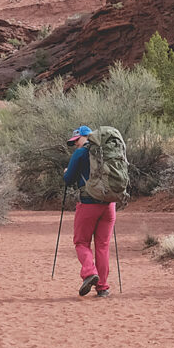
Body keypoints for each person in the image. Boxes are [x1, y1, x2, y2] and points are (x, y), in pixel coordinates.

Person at [63, 125, 114, 298]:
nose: (75, 144)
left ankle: (89, 272)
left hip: (88, 204)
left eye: (76, 140)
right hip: (109, 205)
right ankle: (103, 288)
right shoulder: (107, 151)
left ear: (84, 137)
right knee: (103, 246)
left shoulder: (80, 153)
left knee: (81, 243)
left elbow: (68, 179)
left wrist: (66, 173)